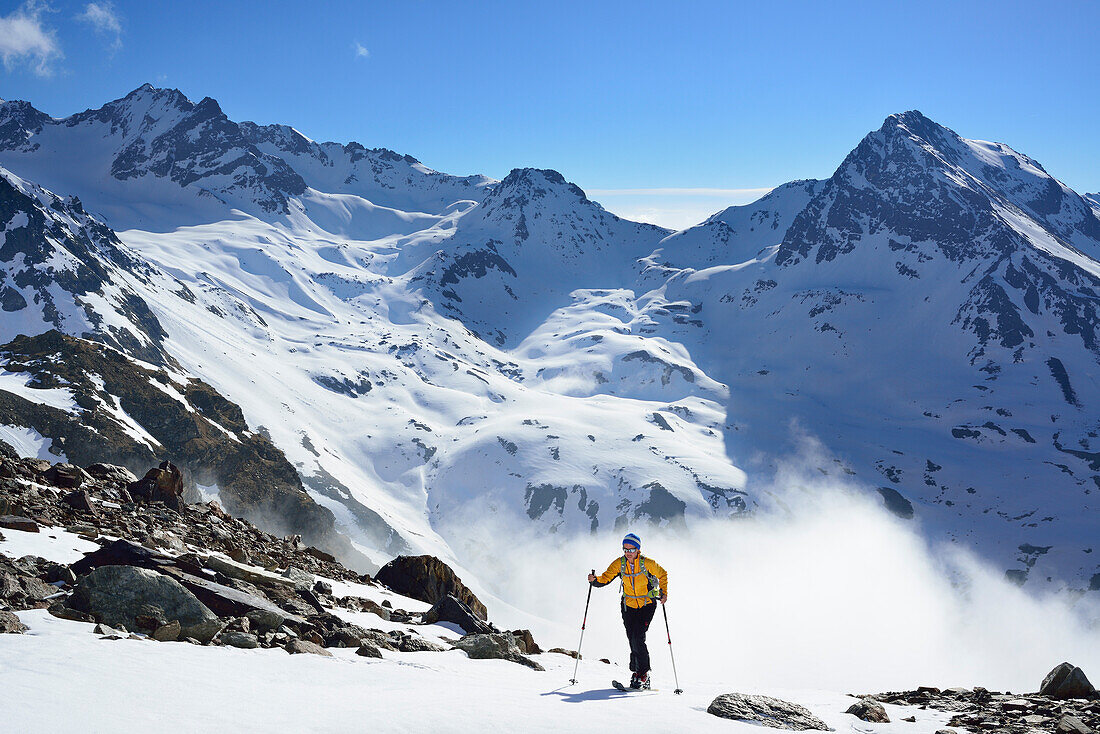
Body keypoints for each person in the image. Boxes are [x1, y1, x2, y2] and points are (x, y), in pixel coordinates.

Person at [588, 532, 668, 689]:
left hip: (647, 604)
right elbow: (605, 578)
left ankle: (643, 674)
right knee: (631, 638)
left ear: (638, 549)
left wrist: (664, 592)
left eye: (631, 550)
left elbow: (663, 574)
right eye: (625, 550)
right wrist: (595, 580)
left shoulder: (648, 563)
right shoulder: (619, 563)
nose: (628, 553)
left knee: (638, 637)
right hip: (628, 606)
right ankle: (636, 672)